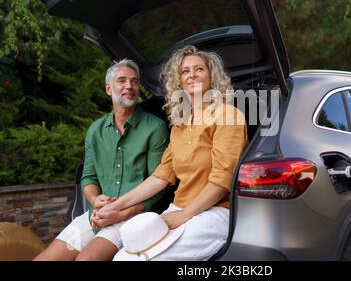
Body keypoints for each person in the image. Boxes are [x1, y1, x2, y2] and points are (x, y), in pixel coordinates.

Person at [98, 45, 248, 261]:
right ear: (178, 81)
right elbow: (161, 176)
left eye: (199, 69)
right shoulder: (180, 124)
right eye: (185, 71)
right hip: (178, 208)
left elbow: (222, 180)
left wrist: (184, 216)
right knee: (122, 258)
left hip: (215, 212)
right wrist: (117, 204)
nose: (191, 75)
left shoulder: (227, 116)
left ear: (212, 76)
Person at [34, 59, 169, 261]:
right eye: (121, 80)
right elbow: (88, 177)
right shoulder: (95, 130)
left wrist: (121, 213)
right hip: (96, 214)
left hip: (134, 216)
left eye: (134, 81)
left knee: (86, 260)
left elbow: (159, 185)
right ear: (108, 88)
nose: (129, 86)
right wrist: (95, 200)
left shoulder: (155, 128)